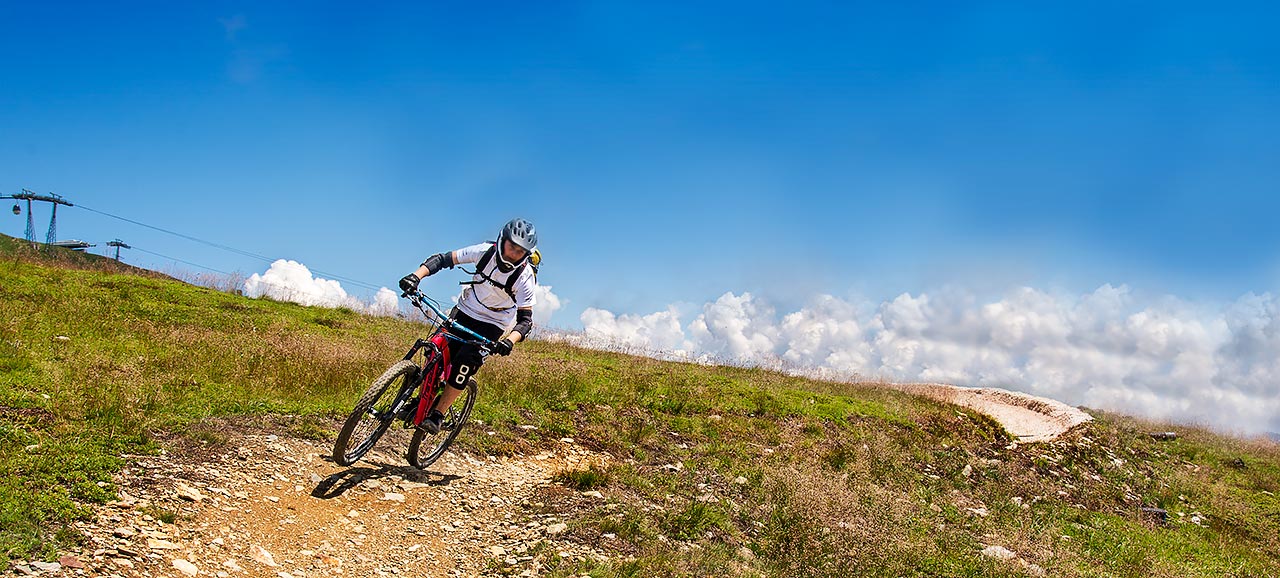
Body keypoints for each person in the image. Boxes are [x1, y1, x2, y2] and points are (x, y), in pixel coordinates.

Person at [398, 218, 539, 434]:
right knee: (434, 349)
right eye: (512, 246)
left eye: (520, 252)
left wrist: (509, 342)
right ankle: (420, 400)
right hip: (465, 311)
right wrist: (415, 277)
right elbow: (443, 259)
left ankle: (438, 414)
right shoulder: (484, 252)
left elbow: (525, 321)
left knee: (464, 364)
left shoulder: (524, 277)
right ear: (503, 240)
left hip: (493, 324)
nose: (513, 254)